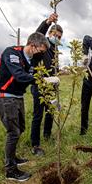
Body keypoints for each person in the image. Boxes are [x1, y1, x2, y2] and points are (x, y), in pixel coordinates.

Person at [0, 32, 51, 181]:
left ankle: (13, 158)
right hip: (5, 96)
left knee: (20, 128)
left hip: (17, 96)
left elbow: (32, 77)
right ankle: (10, 170)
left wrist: (44, 78)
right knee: (13, 132)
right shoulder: (12, 53)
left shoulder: (31, 60)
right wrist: (45, 81)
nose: (41, 55)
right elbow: (20, 75)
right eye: (41, 51)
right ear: (32, 46)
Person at [30, 13, 63, 156]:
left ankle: (47, 135)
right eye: (56, 35)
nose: (58, 38)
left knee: (50, 112)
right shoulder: (41, 47)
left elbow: (54, 69)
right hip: (39, 86)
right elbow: (37, 35)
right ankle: (35, 144)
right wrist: (48, 22)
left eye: (60, 37)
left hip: (51, 87)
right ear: (50, 34)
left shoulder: (55, 51)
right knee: (38, 115)